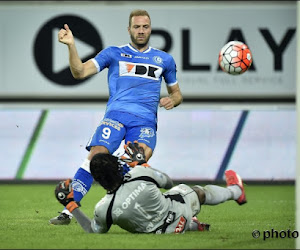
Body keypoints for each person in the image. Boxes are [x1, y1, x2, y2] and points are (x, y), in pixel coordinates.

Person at [50, 8, 183, 225]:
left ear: (150, 29)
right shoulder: (113, 53)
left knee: (136, 162)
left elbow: (176, 93)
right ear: (129, 29)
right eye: (137, 27)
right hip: (116, 116)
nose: (141, 31)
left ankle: (117, 208)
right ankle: (68, 212)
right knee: (97, 156)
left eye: (145, 27)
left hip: (144, 122)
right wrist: (72, 46)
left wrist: (173, 100)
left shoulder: (164, 60)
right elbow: (79, 72)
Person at [54, 142, 247, 234]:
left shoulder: (103, 209)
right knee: (195, 191)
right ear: (116, 165)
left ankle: (193, 226)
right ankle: (236, 191)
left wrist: (71, 204)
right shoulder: (139, 174)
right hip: (179, 214)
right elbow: (168, 183)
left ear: (97, 180)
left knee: (151, 215)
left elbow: (91, 230)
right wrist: (142, 163)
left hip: (161, 233)